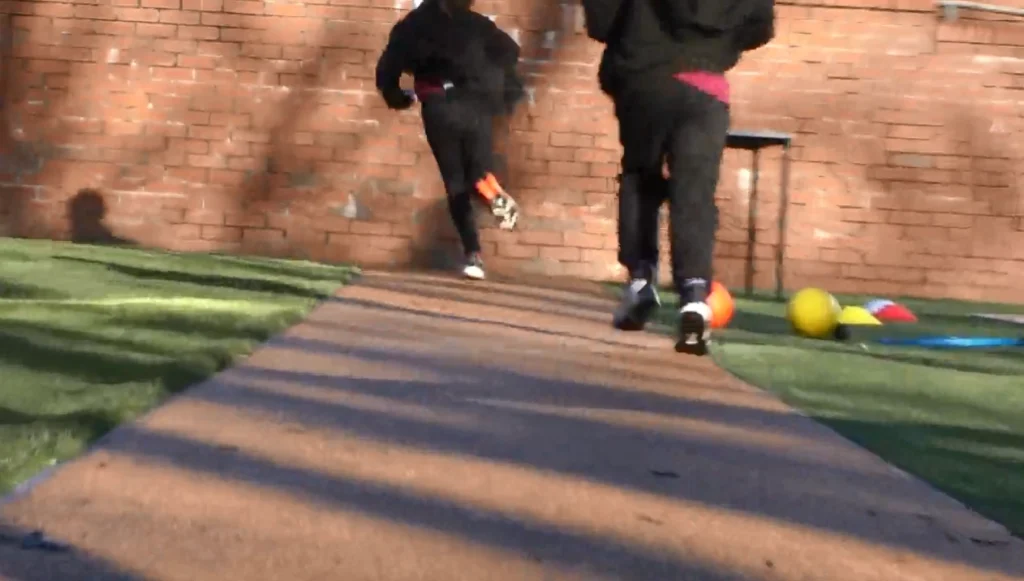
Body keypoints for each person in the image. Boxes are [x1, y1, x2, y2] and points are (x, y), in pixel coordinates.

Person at [581, 0, 775, 355]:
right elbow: (761, 26)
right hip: (705, 83)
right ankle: (695, 298)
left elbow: (601, 22)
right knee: (695, 192)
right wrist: (716, 44)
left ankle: (640, 279)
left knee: (641, 176)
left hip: (642, 76)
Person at [375, 0, 524, 280]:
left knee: (454, 181)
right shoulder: (477, 24)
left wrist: (398, 97)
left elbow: (388, 70)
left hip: (438, 103)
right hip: (476, 102)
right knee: (477, 169)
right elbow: (510, 51)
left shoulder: (412, 25)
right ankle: (488, 188)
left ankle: (473, 255)